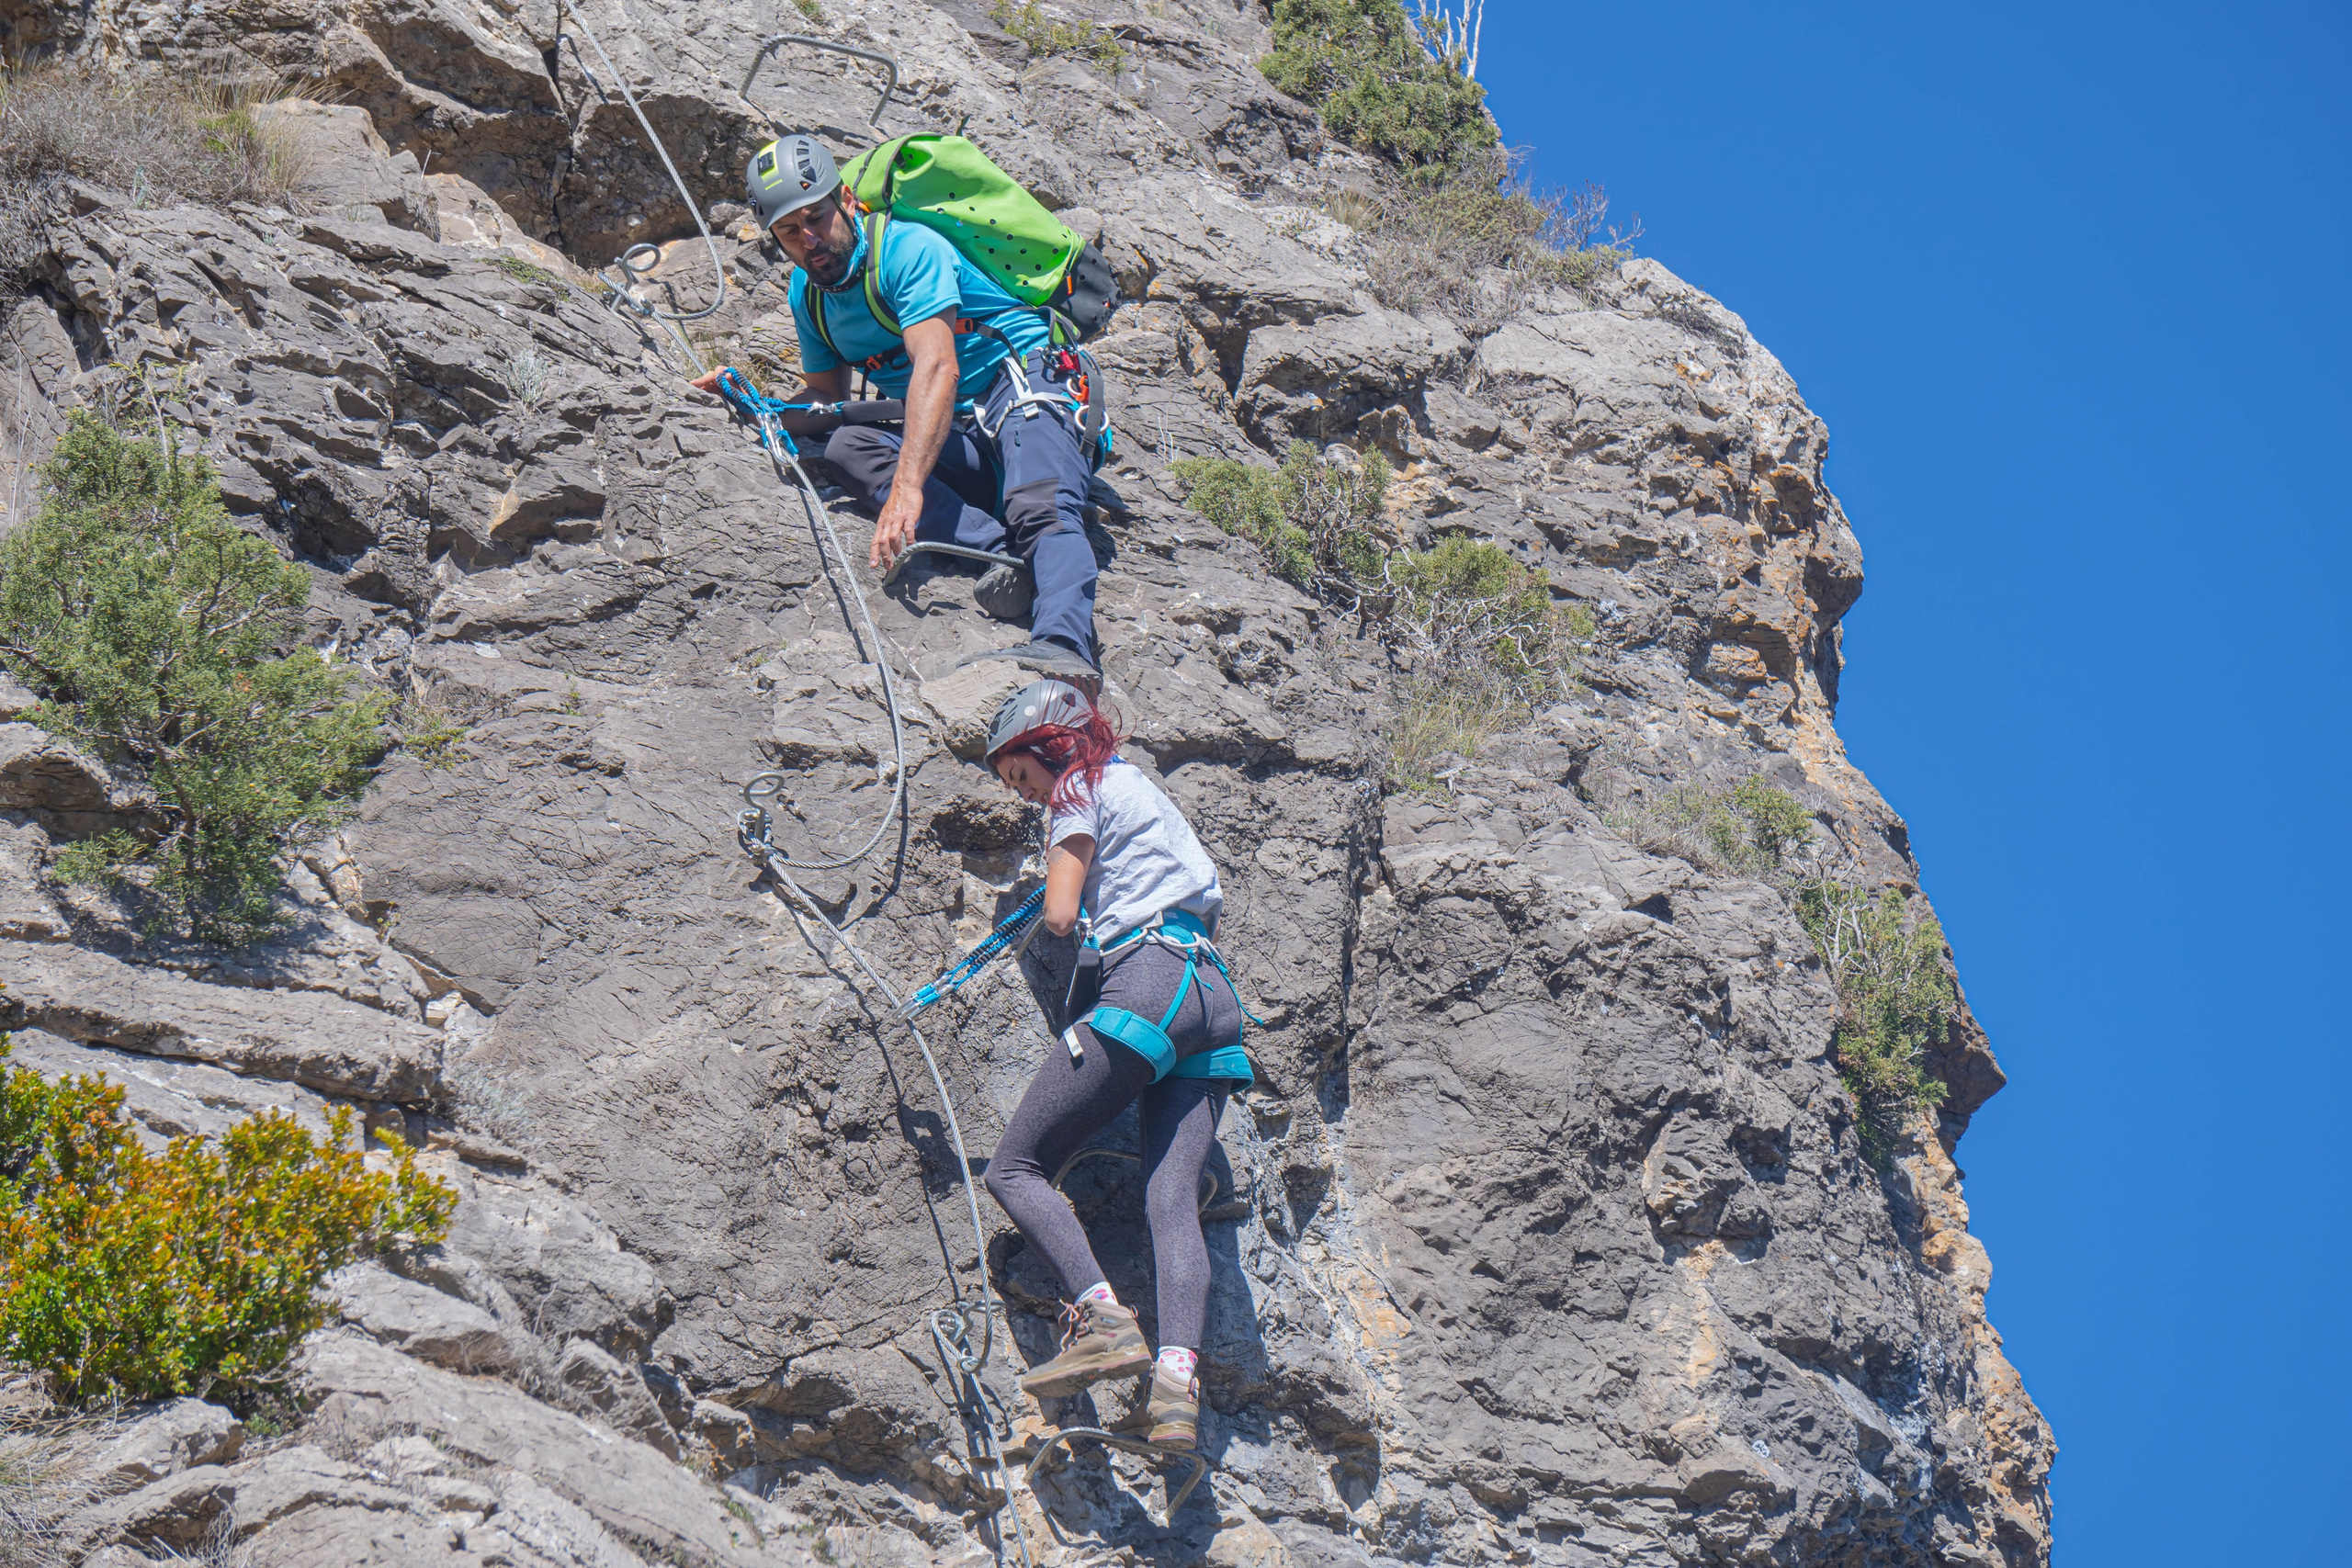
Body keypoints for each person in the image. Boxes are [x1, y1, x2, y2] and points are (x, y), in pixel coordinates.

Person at [692, 134, 1101, 681]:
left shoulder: (908, 249)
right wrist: (750, 405)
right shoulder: (808, 295)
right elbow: (826, 398)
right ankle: (1002, 554)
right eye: (789, 231)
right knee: (846, 446)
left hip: (1029, 386)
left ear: (846, 201)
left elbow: (937, 366)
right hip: (960, 429)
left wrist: (909, 488)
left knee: (1040, 504)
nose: (809, 239)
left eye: (816, 218)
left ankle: (1065, 649)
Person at [975, 680, 1252, 1451]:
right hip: (1212, 995)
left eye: (1021, 775)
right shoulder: (1141, 789)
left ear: (1051, 746)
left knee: (1014, 1169)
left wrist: (1055, 882)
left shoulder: (1077, 789)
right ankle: (1176, 1390)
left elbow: (1061, 914)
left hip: (1149, 982)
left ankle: (1101, 1317)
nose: (1026, 794)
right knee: (1171, 1197)